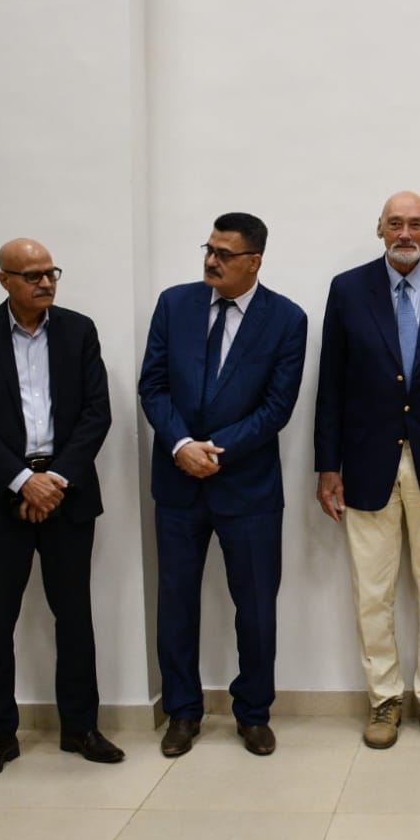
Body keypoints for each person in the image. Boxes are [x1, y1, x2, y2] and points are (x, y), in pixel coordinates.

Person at [313, 191, 420, 749]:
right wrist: (326, 464)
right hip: (367, 461)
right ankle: (383, 699)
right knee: (373, 590)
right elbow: (331, 383)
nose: (404, 233)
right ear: (379, 229)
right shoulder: (347, 289)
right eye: (394, 224)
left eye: (414, 224)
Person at [0, 239, 122, 782]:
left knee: (74, 616)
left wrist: (55, 481)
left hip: (67, 492)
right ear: (4, 280)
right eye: (32, 275)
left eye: (51, 273)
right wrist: (24, 482)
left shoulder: (78, 330)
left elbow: (96, 412)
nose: (45, 283)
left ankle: (81, 728)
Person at [139, 213, 307, 758]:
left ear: (254, 262)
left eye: (224, 254)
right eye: (208, 250)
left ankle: (253, 713)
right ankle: (183, 711)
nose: (211, 261)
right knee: (176, 603)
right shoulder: (174, 304)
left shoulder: (287, 319)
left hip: (248, 489)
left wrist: (215, 450)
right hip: (177, 483)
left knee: (255, 609)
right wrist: (180, 446)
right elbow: (153, 385)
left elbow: (276, 408)